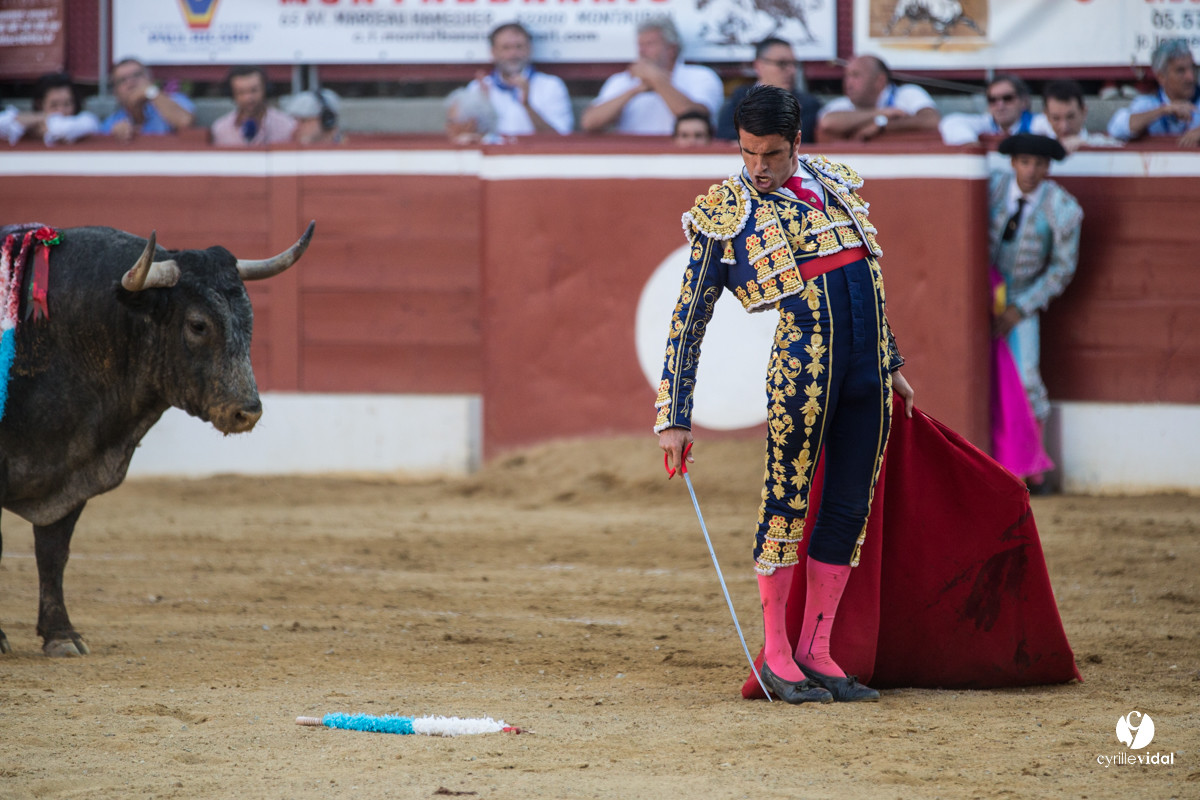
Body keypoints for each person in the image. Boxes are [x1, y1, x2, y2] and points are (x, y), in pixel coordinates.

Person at [656, 85, 915, 705]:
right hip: (803, 371)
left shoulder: (835, 186)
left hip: (866, 375)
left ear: (798, 143)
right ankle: (776, 655)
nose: (758, 168)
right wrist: (674, 414)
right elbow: (689, 316)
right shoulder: (727, 210)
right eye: (748, 153)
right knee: (786, 506)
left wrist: (893, 361)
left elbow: (867, 281)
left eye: (771, 154)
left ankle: (817, 650)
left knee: (849, 508)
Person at [988, 134, 1082, 487]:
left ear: (1048, 167)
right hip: (981, 296)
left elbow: (1062, 269)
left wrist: (1020, 308)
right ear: (1013, 162)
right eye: (1025, 161)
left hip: (1023, 300)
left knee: (1026, 379)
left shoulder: (1062, 208)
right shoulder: (991, 189)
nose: (1031, 170)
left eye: (1039, 163)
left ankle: (1031, 470)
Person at [581, 16, 723, 136]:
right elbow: (589, 123)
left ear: (671, 49)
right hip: (631, 159)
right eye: (640, 45)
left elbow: (697, 118)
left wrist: (656, 79)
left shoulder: (701, 76)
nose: (642, 51)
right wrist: (634, 90)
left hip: (684, 158)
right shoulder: (621, 80)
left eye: (650, 44)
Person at [446, 22, 573, 141]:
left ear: (530, 49)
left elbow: (560, 139)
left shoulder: (551, 85)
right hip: (492, 161)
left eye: (519, 47)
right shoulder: (478, 87)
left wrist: (527, 106)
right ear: (493, 52)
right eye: (506, 48)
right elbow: (462, 137)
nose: (513, 54)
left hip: (538, 160)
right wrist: (484, 107)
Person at [715, 38, 819, 143]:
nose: (791, 70)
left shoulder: (807, 104)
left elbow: (800, 139)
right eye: (782, 63)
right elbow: (724, 136)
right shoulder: (740, 97)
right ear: (759, 65)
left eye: (794, 64)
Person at [816, 55, 939, 142]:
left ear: (879, 80)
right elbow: (827, 123)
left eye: (856, 75)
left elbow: (932, 120)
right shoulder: (842, 104)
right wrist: (883, 113)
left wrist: (882, 124)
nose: (848, 83)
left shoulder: (907, 93)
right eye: (847, 76)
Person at [1107, 39, 1200, 147]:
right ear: (1161, 77)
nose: (1191, 77)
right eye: (1180, 71)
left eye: (1192, 69)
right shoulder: (1149, 103)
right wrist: (1164, 110)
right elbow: (1116, 129)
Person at [101, 58, 195, 141]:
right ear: (116, 93)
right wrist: (115, 136)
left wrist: (151, 92)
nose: (131, 82)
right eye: (122, 80)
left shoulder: (174, 100)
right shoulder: (112, 122)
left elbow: (185, 122)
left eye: (137, 75)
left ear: (151, 79)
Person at [0, 72, 99, 146]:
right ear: (40, 105)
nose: (61, 111)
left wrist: (41, 125)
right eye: (54, 105)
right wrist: (38, 118)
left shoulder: (87, 119)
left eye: (67, 104)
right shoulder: (37, 118)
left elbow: (63, 129)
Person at [210, 66, 297, 146]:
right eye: (241, 92)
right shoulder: (221, 128)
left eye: (254, 90)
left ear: (265, 89)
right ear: (232, 94)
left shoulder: (287, 125)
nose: (248, 98)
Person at [940, 74, 1035, 146]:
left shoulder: (1038, 124)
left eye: (1007, 98)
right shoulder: (989, 123)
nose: (1000, 106)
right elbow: (951, 122)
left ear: (1024, 102)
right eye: (992, 100)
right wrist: (973, 147)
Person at [1030, 79, 1121, 152]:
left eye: (1070, 117)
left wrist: (1086, 145)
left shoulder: (1102, 143)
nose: (1064, 127)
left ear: (1083, 112)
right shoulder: (1037, 148)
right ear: (1046, 116)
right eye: (1056, 118)